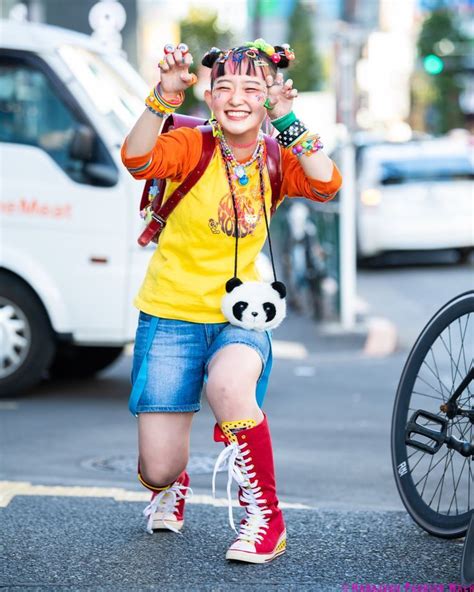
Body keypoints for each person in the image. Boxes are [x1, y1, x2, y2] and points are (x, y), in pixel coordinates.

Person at [121, 39, 342, 564]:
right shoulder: (191, 145)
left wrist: (290, 121)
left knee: (229, 383)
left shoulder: (274, 156)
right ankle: (173, 485)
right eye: (224, 86)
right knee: (157, 468)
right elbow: (136, 158)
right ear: (210, 95)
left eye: (252, 87)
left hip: (238, 313)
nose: (236, 97)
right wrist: (163, 97)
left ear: (269, 96)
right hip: (171, 313)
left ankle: (265, 518)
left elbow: (328, 182)